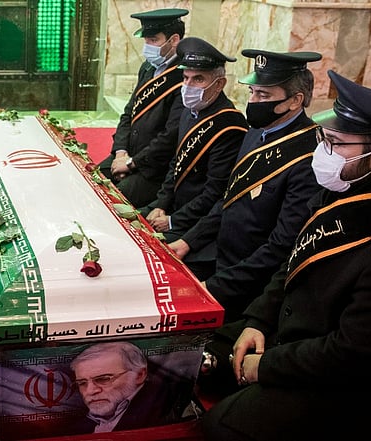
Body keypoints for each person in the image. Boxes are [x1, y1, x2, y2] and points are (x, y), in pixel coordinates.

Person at [199, 70, 371, 441]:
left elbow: (355, 354)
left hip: (351, 387)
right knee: (194, 354)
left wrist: (265, 366)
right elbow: (292, 263)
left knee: (219, 428)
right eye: (323, 137)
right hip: (298, 336)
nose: (321, 152)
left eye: (334, 143)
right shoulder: (346, 188)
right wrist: (257, 321)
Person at [167, 50, 323, 321]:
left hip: (252, 283)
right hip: (220, 255)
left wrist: (216, 287)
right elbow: (228, 199)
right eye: (252, 92)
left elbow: (281, 246)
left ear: (295, 101)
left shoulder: (307, 156)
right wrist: (189, 241)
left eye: (263, 95)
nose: (252, 102)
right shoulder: (255, 133)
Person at [142, 38, 248, 269]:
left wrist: (172, 221)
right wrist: (161, 204)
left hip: (198, 225)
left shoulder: (228, 124)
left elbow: (215, 193)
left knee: (145, 257)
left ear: (219, 84)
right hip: (174, 209)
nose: (188, 86)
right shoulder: (191, 111)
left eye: (198, 79)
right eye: (185, 78)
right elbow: (176, 163)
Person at [97, 8, 187, 208]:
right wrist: (120, 153)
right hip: (126, 155)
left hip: (152, 168)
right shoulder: (148, 68)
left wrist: (131, 163)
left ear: (173, 40)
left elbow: (170, 136)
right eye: (146, 41)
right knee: (89, 182)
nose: (147, 47)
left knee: (111, 204)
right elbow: (128, 113)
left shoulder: (184, 78)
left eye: (153, 40)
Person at [68, 342, 183, 433]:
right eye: (82, 383)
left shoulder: (165, 409)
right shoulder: (78, 427)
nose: (90, 391)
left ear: (139, 375)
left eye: (103, 379)